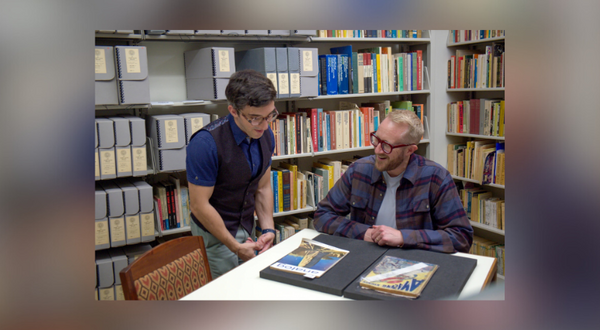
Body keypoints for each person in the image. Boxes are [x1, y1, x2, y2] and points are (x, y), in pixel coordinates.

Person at [313, 110, 473, 253]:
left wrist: (403, 237)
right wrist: (365, 233)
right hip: (364, 257)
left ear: (410, 150)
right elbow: (322, 215)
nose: (377, 150)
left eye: (387, 146)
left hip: (414, 264)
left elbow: (461, 237)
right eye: (376, 140)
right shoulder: (359, 170)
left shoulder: (436, 178)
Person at [186, 69, 278, 278]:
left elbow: (262, 187)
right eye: (255, 118)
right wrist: (234, 245)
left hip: (246, 225)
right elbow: (199, 206)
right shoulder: (204, 144)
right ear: (234, 111)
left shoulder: (265, 133)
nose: (264, 125)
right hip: (214, 233)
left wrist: (268, 230)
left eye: (269, 116)